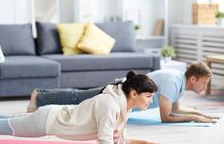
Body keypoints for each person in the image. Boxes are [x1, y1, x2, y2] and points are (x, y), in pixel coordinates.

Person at [0, 71, 171, 144]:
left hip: (52, 115)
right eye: (148, 96)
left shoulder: (123, 103)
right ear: (134, 93)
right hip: (47, 122)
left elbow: (119, 140)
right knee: (1, 127)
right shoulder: (111, 105)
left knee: (4, 120)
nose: (151, 101)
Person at [27, 62, 220, 123]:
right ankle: (40, 96)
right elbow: (166, 116)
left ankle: (42, 93)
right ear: (193, 79)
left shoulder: (178, 81)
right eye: (203, 83)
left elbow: (176, 108)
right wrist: (194, 119)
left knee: (79, 96)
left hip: (122, 91)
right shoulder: (172, 82)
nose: (204, 88)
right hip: (117, 92)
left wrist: (201, 114)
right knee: (78, 98)